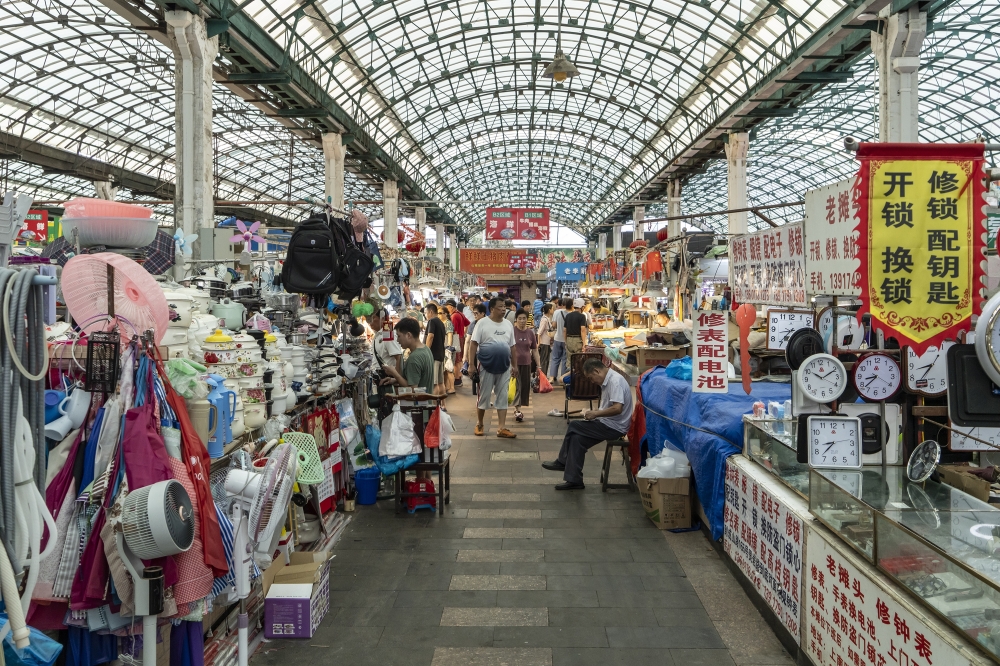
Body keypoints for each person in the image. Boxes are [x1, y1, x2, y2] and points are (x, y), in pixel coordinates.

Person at [542, 358, 634, 490]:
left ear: (597, 371)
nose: (592, 382)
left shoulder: (615, 381)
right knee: (576, 439)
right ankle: (574, 480)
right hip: (607, 423)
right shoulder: (608, 380)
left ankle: (562, 461)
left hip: (615, 427)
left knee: (574, 426)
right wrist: (594, 412)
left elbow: (617, 408)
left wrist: (595, 414)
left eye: (591, 378)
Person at [469, 297, 518, 439]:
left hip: (504, 367)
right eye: (500, 307)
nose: (503, 309)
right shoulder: (482, 323)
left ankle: (501, 428)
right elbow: (473, 344)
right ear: (492, 309)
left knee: (502, 397)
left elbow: (513, 346)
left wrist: (515, 365)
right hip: (485, 366)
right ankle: (479, 423)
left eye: (504, 307)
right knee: (484, 396)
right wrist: (471, 365)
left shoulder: (508, 324)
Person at [379, 317, 435, 393]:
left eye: (399, 336)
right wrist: (395, 380)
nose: (398, 340)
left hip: (418, 404)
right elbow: (417, 380)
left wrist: (394, 373)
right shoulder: (426, 349)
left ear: (408, 335)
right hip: (427, 401)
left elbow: (413, 390)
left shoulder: (414, 358)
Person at [512, 309, 541, 423]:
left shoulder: (530, 333)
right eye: (520, 318)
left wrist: (539, 366)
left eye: (524, 318)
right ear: (516, 319)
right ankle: (517, 410)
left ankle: (519, 407)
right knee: (517, 387)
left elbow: (534, 350)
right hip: (514, 364)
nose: (522, 321)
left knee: (524, 387)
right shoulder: (512, 331)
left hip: (527, 363)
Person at [423, 303, 447, 395]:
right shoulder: (441, 322)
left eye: (425, 313)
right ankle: (443, 405)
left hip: (433, 356)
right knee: (440, 383)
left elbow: (430, 336)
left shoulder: (432, 321)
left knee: (434, 384)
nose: (425, 315)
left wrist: (426, 352)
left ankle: (434, 407)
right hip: (440, 355)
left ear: (431, 312)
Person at [370, 307, 402, 373]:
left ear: (383, 318)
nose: (370, 321)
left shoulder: (387, 333)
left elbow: (398, 357)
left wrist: (397, 377)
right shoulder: (378, 333)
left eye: (373, 318)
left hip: (386, 376)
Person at [446, 299, 469, 388]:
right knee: (458, 358)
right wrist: (463, 332)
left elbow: (453, 330)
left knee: (456, 359)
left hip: (456, 338)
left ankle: (457, 378)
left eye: (447, 308)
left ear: (451, 307)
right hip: (461, 337)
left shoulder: (454, 316)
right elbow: (467, 324)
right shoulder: (460, 314)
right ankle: (459, 377)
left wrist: (451, 342)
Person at [548, 298, 568, 380]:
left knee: (555, 358)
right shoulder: (570, 313)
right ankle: (562, 378)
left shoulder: (556, 312)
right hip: (566, 339)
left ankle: (552, 377)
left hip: (557, 338)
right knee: (564, 359)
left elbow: (554, 325)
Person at [439, 308, 456, 394]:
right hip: (444, 348)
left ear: (445, 314)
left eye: (441, 313)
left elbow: (450, 335)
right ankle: (446, 386)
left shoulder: (447, 323)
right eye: (438, 313)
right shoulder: (443, 323)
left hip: (447, 349)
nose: (439, 315)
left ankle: (452, 387)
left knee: (449, 369)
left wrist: (448, 347)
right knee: (445, 369)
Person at [537, 303, 553, 377]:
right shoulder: (544, 320)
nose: (553, 310)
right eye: (552, 309)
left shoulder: (547, 319)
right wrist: (539, 343)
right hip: (544, 343)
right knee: (544, 362)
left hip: (547, 343)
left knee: (546, 361)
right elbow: (539, 332)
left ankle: (544, 378)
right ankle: (542, 378)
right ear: (549, 310)